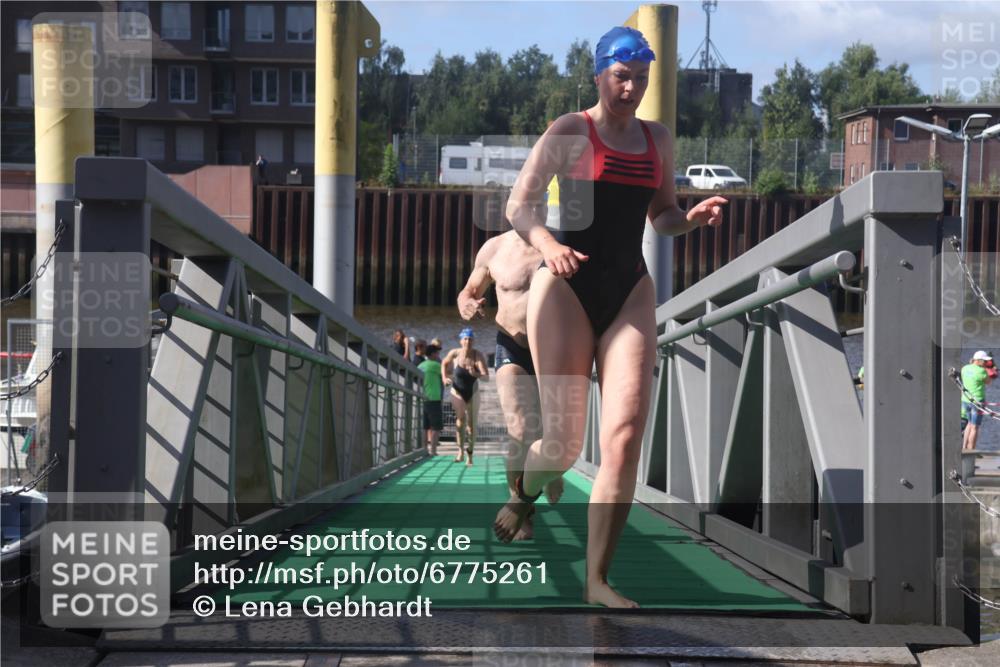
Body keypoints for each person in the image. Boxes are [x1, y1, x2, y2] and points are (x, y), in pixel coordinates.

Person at [492, 26, 726, 608]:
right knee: (566, 447)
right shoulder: (573, 131)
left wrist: (690, 219)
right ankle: (524, 490)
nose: (632, 88)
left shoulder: (658, 140)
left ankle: (597, 580)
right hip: (566, 287)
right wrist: (546, 244)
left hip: (629, 289)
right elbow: (518, 205)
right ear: (599, 74)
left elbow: (662, 216)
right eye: (622, 76)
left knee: (622, 439)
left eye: (641, 78)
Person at [458, 230, 564, 539]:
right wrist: (466, 303)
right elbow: (469, 289)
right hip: (512, 346)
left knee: (551, 431)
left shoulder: (564, 241)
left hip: (556, 348)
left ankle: (549, 471)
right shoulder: (495, 249)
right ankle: (522, 508)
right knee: (519, 429)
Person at [441, 328, 489, 466]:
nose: (468, 341)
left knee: (471, 427)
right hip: (457, 391)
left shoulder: (477, 355)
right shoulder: (454, 353)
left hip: (473, 392)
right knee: (460, 420)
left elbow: (486, 377)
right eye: (465, 339)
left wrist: (476, 374)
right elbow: (444, 363)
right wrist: (444, 378)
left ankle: (470, 454)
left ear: (473, 341)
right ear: (461, 340)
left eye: (470, 339)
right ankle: (460, 451)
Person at [962, 350, 995, 451]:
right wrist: (990, 370)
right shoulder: (981, 371)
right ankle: (971, 450)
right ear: (978, 361)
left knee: (969, 424)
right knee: (975, 427)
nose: (985, 363)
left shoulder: (964, 368)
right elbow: (989, 381)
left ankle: (964, 448)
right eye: (984, 361)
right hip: (978, 402)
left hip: (965, 400)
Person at [418, 344, 444, 456]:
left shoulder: (421, 365)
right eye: (437, 353)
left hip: (423, 397)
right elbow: (446, 374)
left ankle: (424, 450)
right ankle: (433, 451)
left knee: (425, 426)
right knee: (435, 427)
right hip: (434, 398)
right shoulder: (436, 365)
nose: (438, 355)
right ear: (433, 354)